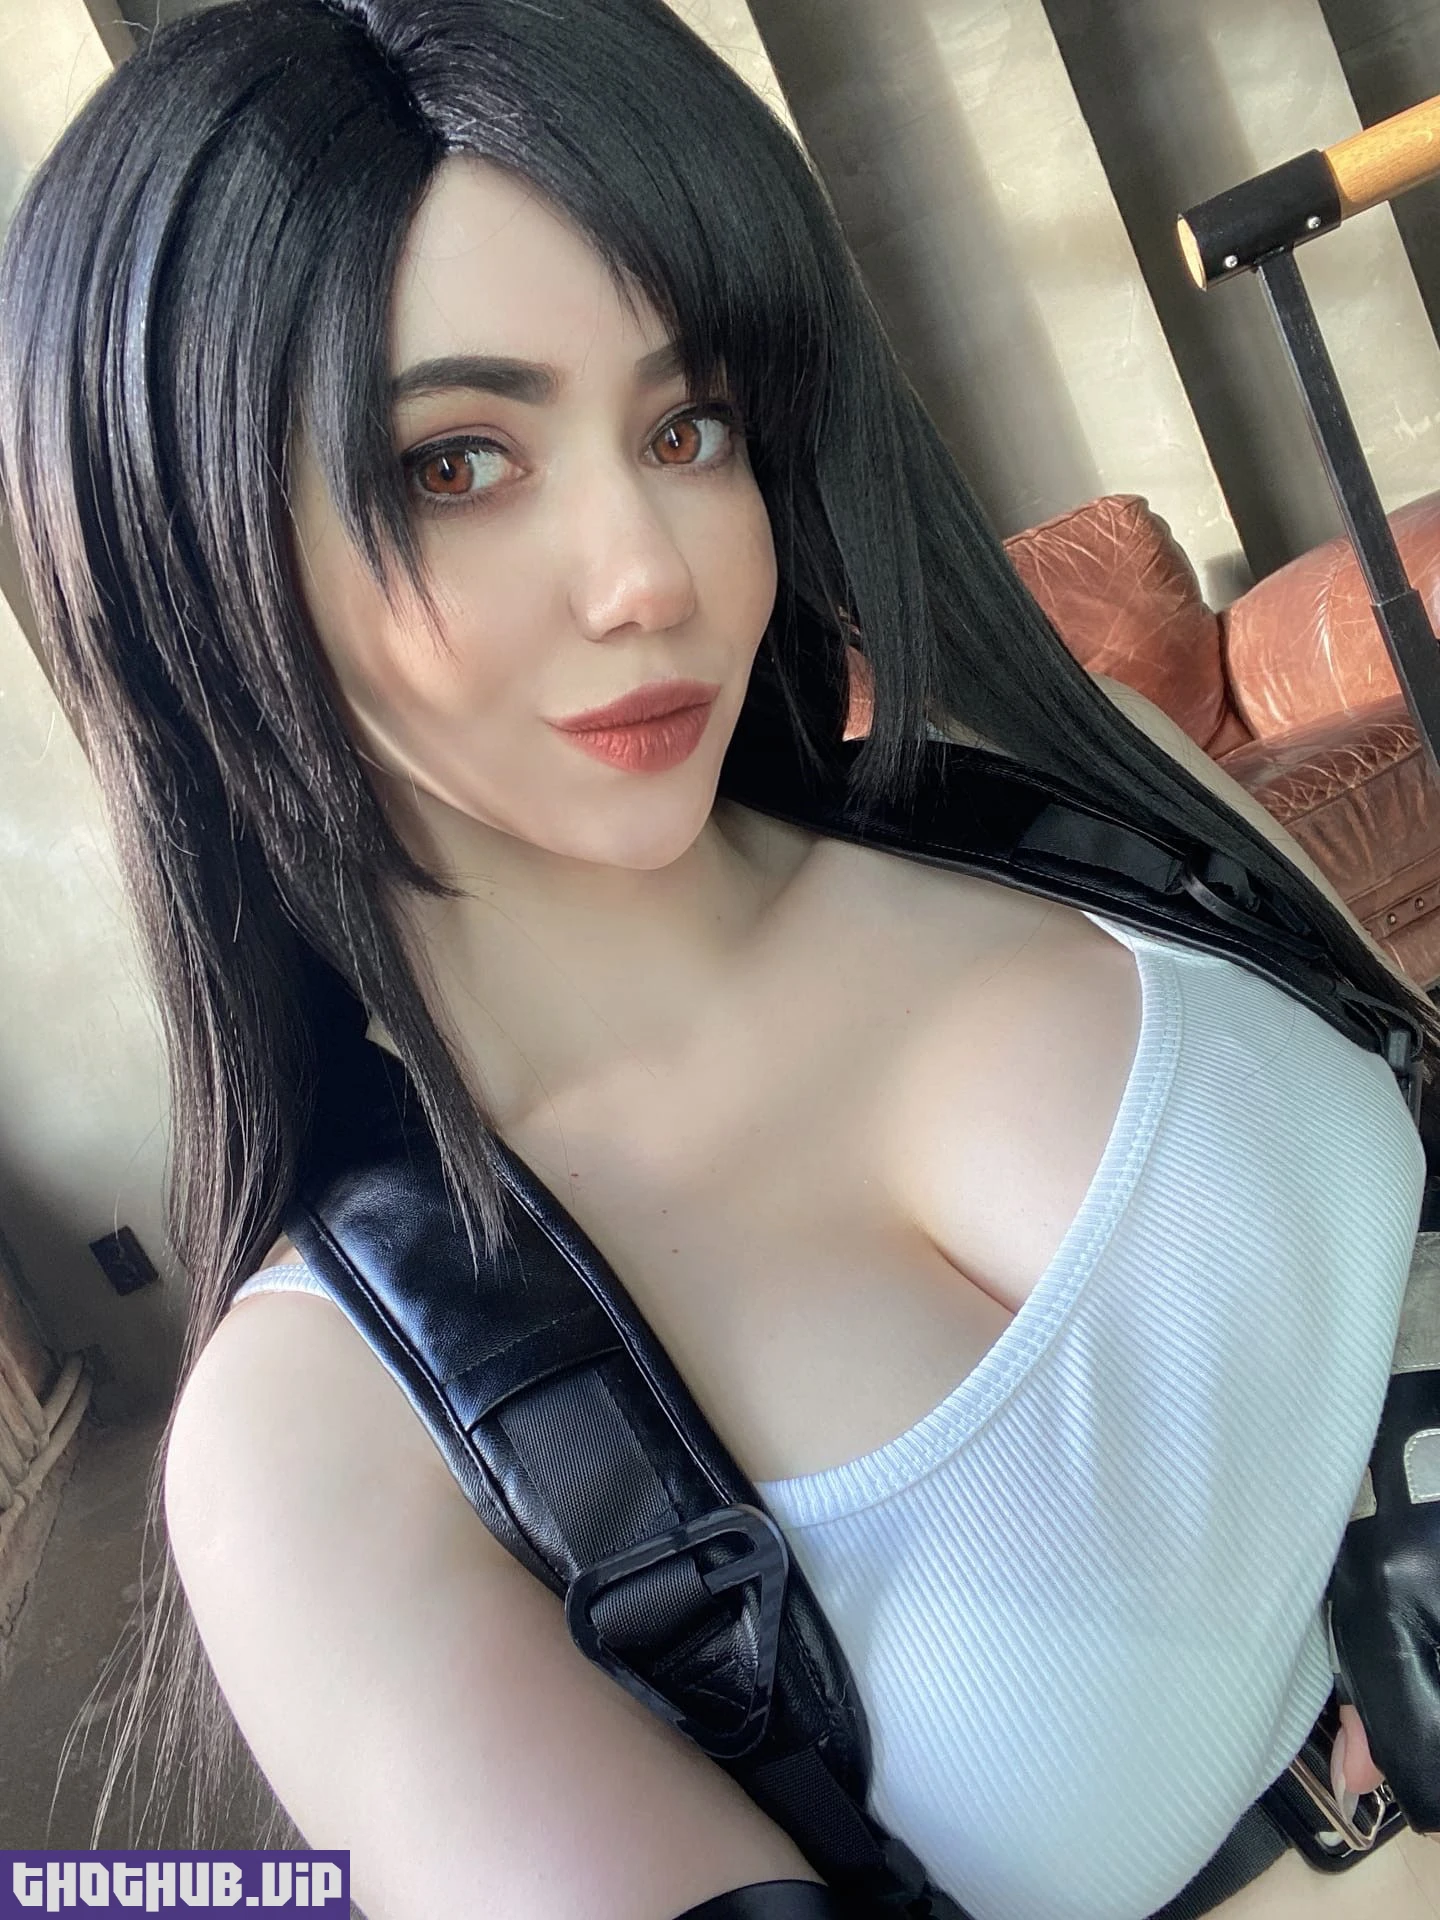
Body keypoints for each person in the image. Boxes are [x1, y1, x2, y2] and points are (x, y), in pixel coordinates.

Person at [0, 1, 1434, 1914]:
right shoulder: (323, 1441)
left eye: (686, 429)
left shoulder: (1064, 796)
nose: (651, 575)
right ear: (179, 554)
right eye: (453, 463)